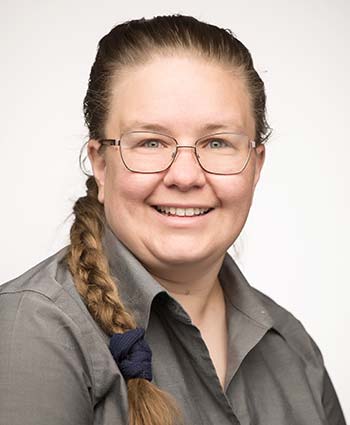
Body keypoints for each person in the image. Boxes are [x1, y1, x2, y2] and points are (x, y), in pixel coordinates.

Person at [0, 14, 346, 425]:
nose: (185, 176)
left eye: (217, 142)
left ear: (256, 166)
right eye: (150, 142)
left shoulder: (292, 348)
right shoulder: (32, 332)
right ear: (101, 165)